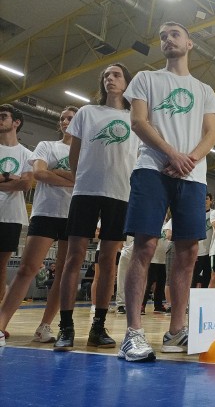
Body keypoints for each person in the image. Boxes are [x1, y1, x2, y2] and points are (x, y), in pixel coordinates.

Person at [120, 21, 215, 362]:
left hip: (192, 175)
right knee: (145, 245)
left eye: (174, 34)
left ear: (190, 43)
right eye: (162, 36)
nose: (167, 39)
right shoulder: (146, 79)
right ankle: (133, 332)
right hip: (152, 169)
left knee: (188, 250)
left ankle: (176, 330)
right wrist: (172, 154)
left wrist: (189, 158)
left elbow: (211, 134)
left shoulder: (205, 89)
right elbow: (138, 122)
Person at [53, 63, 138, 352]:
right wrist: (86, 177)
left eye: (116, 74)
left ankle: (98, 327)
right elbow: (74, 157)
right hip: (86, 191)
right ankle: (65, 328)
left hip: (120, 195)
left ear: (126, 82)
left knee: (107, 263)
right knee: (73, 257)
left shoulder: (135, 119)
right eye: (105, 75)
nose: (110, 79)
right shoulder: (87, 113)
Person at [0, 106, 75, 346]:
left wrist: (55, 172)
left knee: (63, 274)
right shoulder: (46, 145)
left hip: (73, 215)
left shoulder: (86, 151)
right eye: (62, 118)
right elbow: (40, 175)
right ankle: (1, 324)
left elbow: (84, 178)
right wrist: (69, 176)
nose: (65, 121)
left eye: (71, 118)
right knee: (27, 268)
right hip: (45, 212)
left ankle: (45, 326)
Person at [0, 104, 33, 316]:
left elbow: (26, 184)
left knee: (1, 267)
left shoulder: (27, 154)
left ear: (16, 122)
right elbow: (18, 181)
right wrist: (9, 177)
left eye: (3, 116)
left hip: (10, 215)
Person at [192, 193, 214, 288]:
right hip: (198, 250)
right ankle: (189, 300)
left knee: (207, 276)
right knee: (194, 276)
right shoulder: (195, 213)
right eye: (202, 198)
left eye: (207, 198)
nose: (204, 200)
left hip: (211, 250)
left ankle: (205, 299)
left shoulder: (214, 213)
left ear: (211, 201)